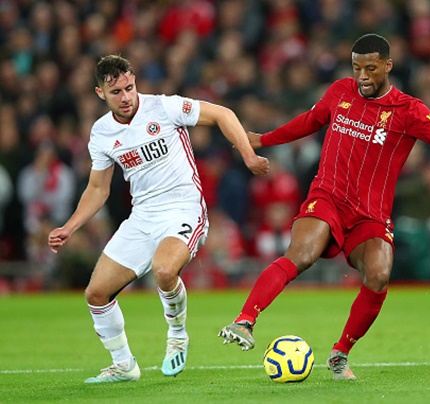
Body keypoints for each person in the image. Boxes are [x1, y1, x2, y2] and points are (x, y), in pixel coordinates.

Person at [218, 33, 430, 380]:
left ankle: (340, 353)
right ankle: (245, 320)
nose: (362, 76)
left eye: (370, 69)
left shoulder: (410, 110)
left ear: (388, 66)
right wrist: (264, 139)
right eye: (356, 68)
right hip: (328, 196)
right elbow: (309, 121)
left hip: (370, 215)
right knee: (302, 253)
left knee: (378, 275)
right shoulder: (340, 92)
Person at [48, 55, 269, 383]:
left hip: (184, 208)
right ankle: (124, 365)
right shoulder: (102, 133)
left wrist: (248, 156)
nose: (126, 97)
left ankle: (177, 334)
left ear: (135, 82)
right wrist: (70, 226)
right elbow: (97, 188)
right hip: (142, 217)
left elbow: (222, 114)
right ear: (100, 94)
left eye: (129, 87)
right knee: (96, 294)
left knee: (164, 270)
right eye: (116, 92)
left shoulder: (164, 107)